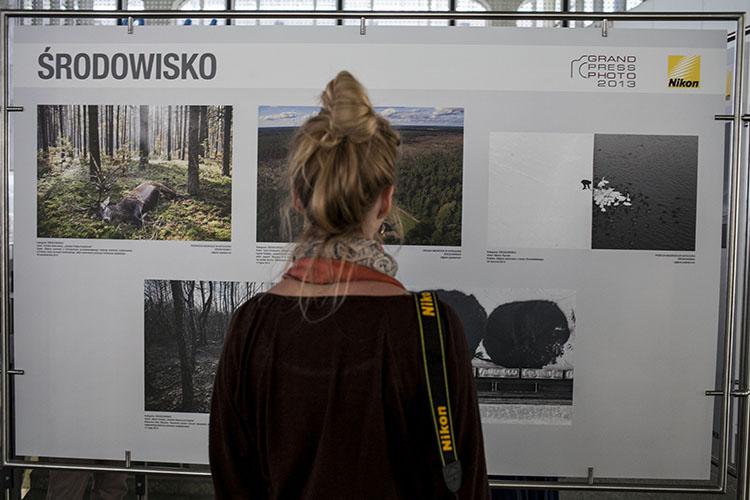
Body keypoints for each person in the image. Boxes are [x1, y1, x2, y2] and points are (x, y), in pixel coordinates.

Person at [209, 70, 489, 499]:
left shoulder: (251, 328)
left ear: (298, 198)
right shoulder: (434, 328)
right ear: (386, 200)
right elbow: (465, 490)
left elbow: (234, 487)